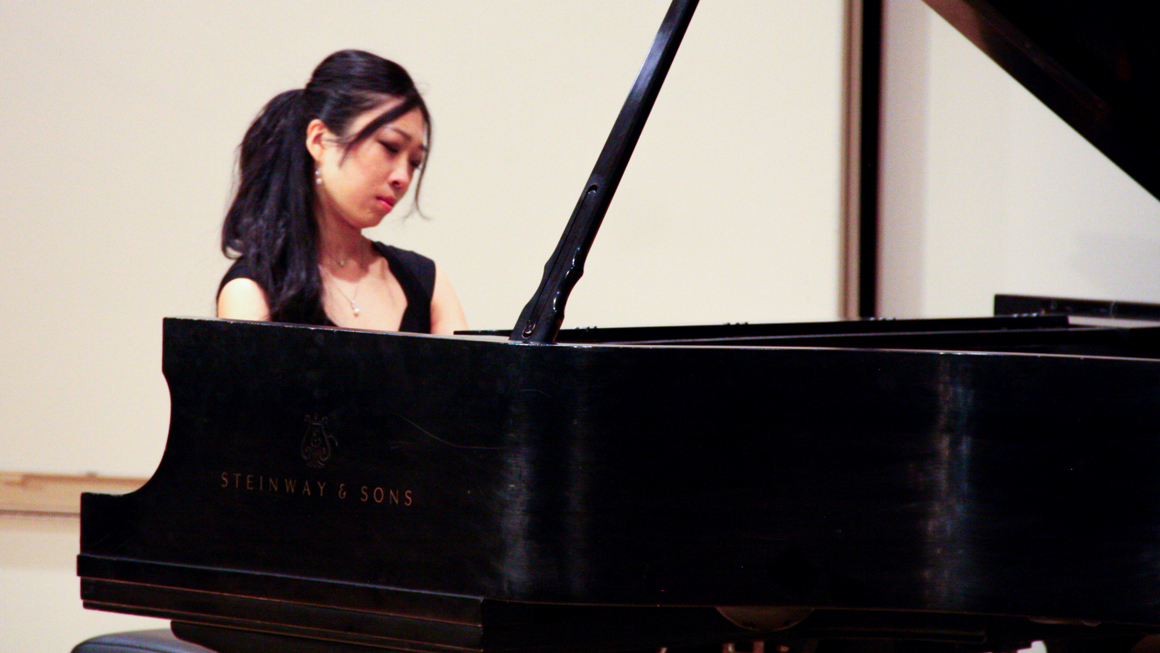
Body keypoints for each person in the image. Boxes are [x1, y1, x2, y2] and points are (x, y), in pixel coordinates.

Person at [217, 50, 467, 335]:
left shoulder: (427, 283)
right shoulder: (253, 291)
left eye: (415, 163)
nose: (403, 178)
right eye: (390, 146)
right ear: (320, 140)